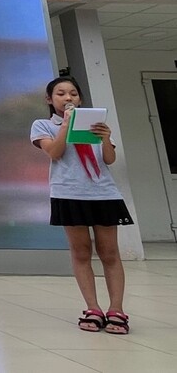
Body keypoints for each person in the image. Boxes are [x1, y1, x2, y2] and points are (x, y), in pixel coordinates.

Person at [30, 76, 133, 335]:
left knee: (110, 253)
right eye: (61, 94)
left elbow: (109, 159)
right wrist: (66, 125)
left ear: (80, 98)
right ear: (49, 99)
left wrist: (106, 138)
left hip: (103, 193)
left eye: (73, 94)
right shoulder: (43, 125)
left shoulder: (94, 124)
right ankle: (93, 308)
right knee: (81, 252)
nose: (68, 98)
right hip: (69, 194)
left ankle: (117, 310)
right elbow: (54, 152)